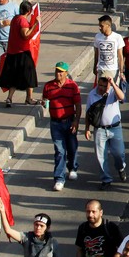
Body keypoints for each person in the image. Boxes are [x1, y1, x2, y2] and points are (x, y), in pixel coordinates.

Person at [42, 62, 81, 191]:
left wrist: (76, 121)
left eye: (61, 71)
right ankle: (59, 178)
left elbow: (78, 105)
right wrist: (44, 103)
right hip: (55, 123)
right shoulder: (48, 86)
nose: (58, 73)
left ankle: (73, 167)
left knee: (72, 147)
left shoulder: (72, 86)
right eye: (57, 71)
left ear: (66, 73)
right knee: (59, 151)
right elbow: (45, 99)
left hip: (70, 121)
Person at [85, 75, 126, 190]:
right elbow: (88, 113)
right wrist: (87, 129)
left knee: (118, 153)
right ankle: (106, 179)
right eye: (100, 85)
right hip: (100, 129)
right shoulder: (92, 95)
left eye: (105, 86)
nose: (102, 88)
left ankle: (121, 167)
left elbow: (122, 97)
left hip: (115, 128)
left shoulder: (113, 92)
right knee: (101, 156)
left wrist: (113, 84)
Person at [0, 1, 40, 107]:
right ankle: (29, 98)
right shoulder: (22, 21)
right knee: (30, 75)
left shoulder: (15, 19)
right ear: (28, 11)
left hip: (12, 52)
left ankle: (9, 98)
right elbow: (25, 35)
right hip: (22, 53)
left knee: (14, 76)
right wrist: (35, 23)